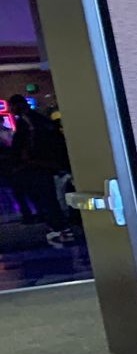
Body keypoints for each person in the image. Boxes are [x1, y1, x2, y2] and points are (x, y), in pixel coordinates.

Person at [6, 95, 74, 246]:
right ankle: (61, 227)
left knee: (44, 195)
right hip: (48, 164)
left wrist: (19, 160)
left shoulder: (27, 122)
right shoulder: (40, 119)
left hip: (36, 164)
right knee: (51, 196)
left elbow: (22, 144)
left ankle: (56, 228)